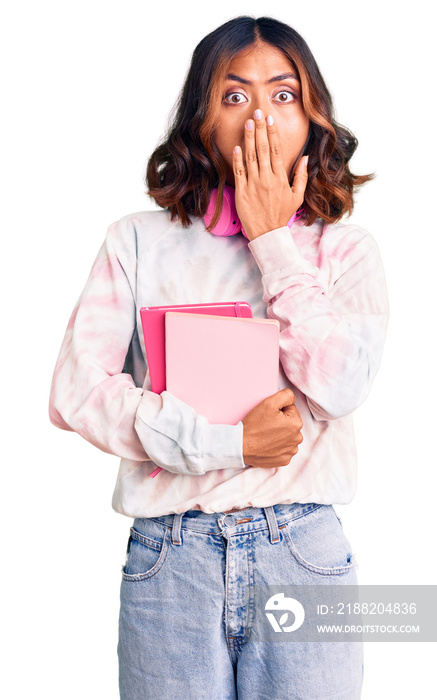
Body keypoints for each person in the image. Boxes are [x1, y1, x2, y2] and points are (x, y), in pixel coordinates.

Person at [49, 15, 389, 700]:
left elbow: (338, 385)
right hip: (171, 558)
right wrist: (223, 443)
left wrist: (270, 238)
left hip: (302, 553)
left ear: (313, 117)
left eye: (282, 94)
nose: (259, 114)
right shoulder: (137, 241)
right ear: (200, 121)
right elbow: (76, 391)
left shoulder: (346, 252)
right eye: (233, 96)